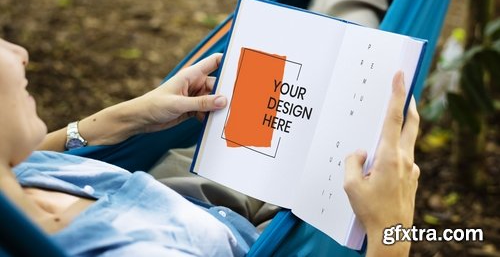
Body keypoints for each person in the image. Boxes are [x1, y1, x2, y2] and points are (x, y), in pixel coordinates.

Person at [0, 37, 419, 256]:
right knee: (352, 97)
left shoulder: (14, 181)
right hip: (274, 233)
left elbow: (25, 156)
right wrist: (390, 231)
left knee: (309, 62)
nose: (20, 53)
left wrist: (124, 117)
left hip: (191, 183)